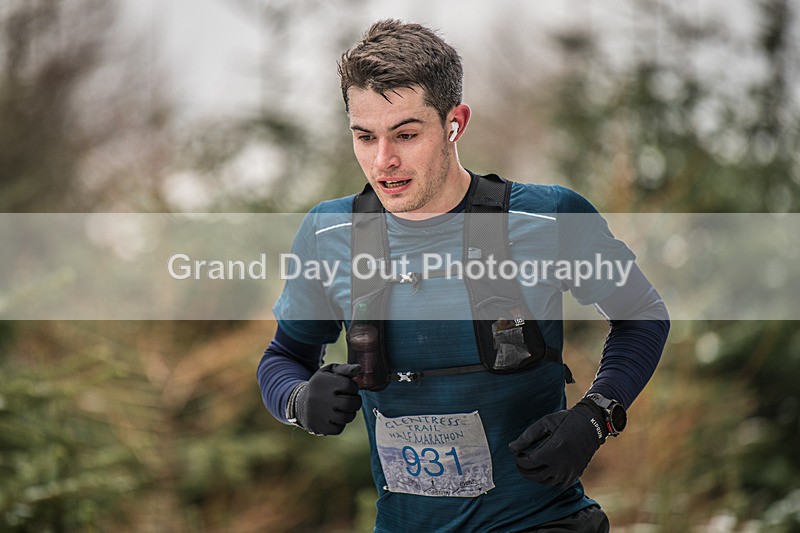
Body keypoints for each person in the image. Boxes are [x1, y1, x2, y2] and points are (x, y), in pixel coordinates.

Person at [257, 19, 669, 532]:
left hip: (540, 523)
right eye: (365, 137)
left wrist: (596, 415)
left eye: (406, 134)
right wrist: (298, 401)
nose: (383, 161)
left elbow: (642, 315)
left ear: (455, 123)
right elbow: (283, 358)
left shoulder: (547, 218)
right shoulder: (330, 233)